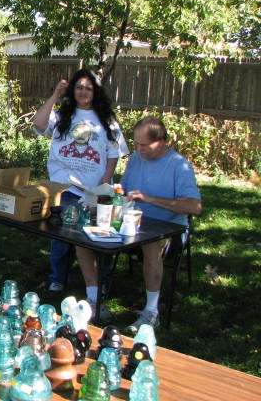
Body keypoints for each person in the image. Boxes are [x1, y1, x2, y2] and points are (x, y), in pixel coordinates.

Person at [77, 116, 202, 332]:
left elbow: (195, 207)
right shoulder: (136, 158)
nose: (138, 149)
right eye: (136, 143)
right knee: (83, 237)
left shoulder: (179, 165)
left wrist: (150, 199)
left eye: (144, 145)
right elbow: (124, 191)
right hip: (132, 223)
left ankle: (151, 312)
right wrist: (105, 196)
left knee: (150, 244)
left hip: (167, 229)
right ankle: (94, 300)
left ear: (161, 141)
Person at [33, 68, 128, 312]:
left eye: (88, 88)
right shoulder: (63, 116)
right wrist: (56, 95)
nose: (83, 92)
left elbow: (113, 154)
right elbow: (39, 123)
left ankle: (100, 283)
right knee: (62, 235)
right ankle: (58, 279)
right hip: (64, 188)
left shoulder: (106, 120)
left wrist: (104, 184)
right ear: (72, 90)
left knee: (97, 238)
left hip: (95, 190)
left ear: (95, 91)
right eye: (78, 87)